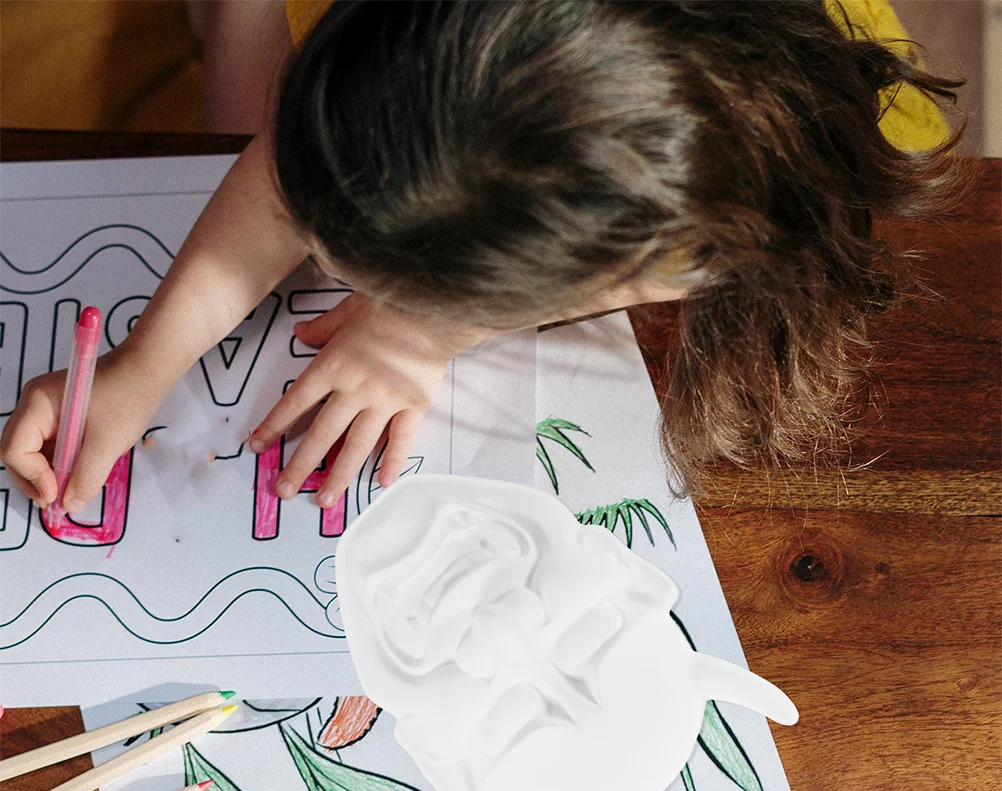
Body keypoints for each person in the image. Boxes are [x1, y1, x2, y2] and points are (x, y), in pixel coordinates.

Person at [0, 0, 963, 511]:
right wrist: (140, 367)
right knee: (234, 108)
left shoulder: (729, 207)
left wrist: (419, 339)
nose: (326, 268)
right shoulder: (412, 47)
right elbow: (284, 176)